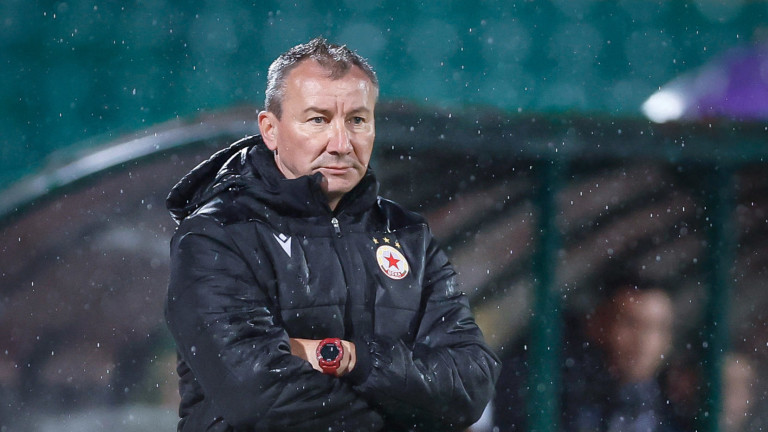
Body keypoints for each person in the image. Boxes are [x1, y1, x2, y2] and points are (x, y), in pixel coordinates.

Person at [164, 37, 500, 432]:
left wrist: (349, 358)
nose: (341, 144)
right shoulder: (217, 235)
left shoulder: (409, 235)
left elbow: (471, 384)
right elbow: (260, 398)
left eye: (357, 120)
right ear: (271, 130)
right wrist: (408, 407)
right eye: (318, 120)